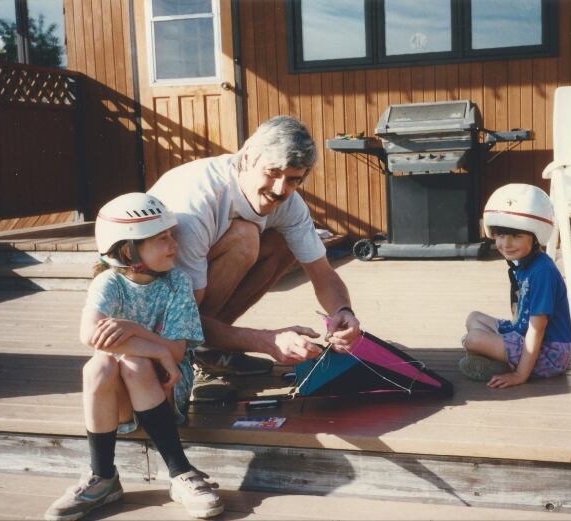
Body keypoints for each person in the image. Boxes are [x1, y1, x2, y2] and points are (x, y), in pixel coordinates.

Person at [45, 193, 223, 521]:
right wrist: (154, 348)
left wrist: (131, 330)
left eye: (172, 236)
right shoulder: (108, 282)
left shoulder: (177, 283)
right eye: (161, 239)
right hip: (122, 402)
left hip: (167, 390)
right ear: (128, 250)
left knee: (134, 363)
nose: (174, 245)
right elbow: (90, 335)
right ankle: (102, 476)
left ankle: (180, 471)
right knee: (98, 366)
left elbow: (176, 353)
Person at [148, 115, 361, 380]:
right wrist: (265, 341)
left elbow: (322, 273)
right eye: (272, 173)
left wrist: (343, 312)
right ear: (247, 157)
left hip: (189, 306)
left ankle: (209, 350)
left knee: (283, 242)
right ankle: (199, 348)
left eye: (293, 179)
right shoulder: (196, 204)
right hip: (150, 313)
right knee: (245, 237)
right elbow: (182, 317)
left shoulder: (289, 203)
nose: (280, 189)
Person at [459, 184, 571, 389]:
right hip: (525, 336)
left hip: (550, 352)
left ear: (536, 235)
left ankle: (505, 365)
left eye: (516, 236)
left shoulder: (542, 272)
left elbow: (537, 328)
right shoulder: (524, 264)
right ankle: (496, 359)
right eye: (501, 235)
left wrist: (520, 375)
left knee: (472, 340)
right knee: (473, 318)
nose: (507, 243)